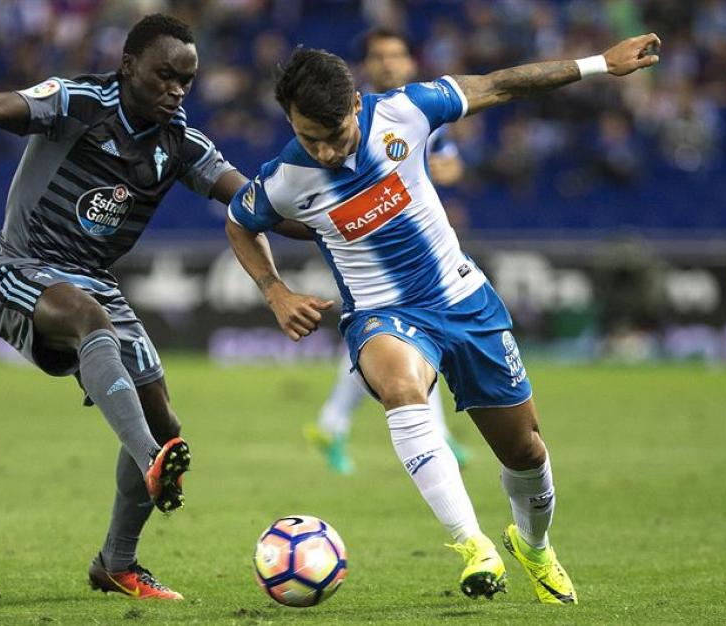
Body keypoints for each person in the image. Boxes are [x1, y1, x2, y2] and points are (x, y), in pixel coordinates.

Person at [227, 34, 661, 603]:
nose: (326, 152)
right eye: (310, 138)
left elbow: (500, 84)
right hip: (382, 313)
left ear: (356, 104)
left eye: (335, 135)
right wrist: (276, 292)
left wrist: (599, 64)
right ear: (290, 119)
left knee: (526, 451)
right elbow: (240, 223)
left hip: (463, 300)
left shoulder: (405, 112)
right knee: (402, 388)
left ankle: (532, 545)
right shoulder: (284, 179)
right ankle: (473, 545)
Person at [0, 14, 255, 601]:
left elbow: (252, 200)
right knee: (98, 335)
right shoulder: (78, 102)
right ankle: (151, 459)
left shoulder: (181, 143)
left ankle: (117, 563)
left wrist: (335, 215)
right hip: (20, 269)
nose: (176, 90)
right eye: (165, 76)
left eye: (186, 81)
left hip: (95, 283)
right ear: (128, 67)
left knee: (165, 422)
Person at [306, 27, 469, 475]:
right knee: (400, 336)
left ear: (410, 61)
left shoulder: (418, 109)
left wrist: (438, 169)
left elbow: (451, 162)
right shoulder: (345, 118)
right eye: (379, 56)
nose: (388, 63)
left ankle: (333, 423)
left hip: (412, 246)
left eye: (396, 54)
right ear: (365, 66)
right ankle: (429, 433)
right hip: (364, 247)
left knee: (394, 338)